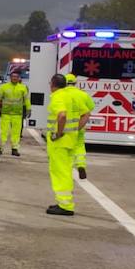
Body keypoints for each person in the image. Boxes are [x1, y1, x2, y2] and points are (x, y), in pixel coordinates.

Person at [45, 73, 82, 216]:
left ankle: (65, 206)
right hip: (70, 140)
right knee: (66, 172)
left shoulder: (57, 97)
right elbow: (85, 113)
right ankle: (64, 202)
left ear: (53, 84)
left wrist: (59, 133)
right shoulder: (70, 96)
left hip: (59, 143)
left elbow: (62, 115)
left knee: (60, 173)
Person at [0, 69, 29, 157]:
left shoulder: (23, 88)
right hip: (6, 113)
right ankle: (1, 148)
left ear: (19, 78)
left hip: (17, 114)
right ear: (10, 77)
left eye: (16, 77)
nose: (14, 78)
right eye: (13, 77)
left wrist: (28, 109)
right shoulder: (4, 87)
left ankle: (14, 149)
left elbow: (26, 99)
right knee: (4, 132)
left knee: (16, 132)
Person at [63, 76, 95, 179]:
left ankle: (69, 168)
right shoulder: (83, 94)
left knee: (68, 147)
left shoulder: (61, 94)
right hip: (80, 124)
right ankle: (81, 165)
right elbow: (91, 107)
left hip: (65, 126)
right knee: (79, 145)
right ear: (75, 83)